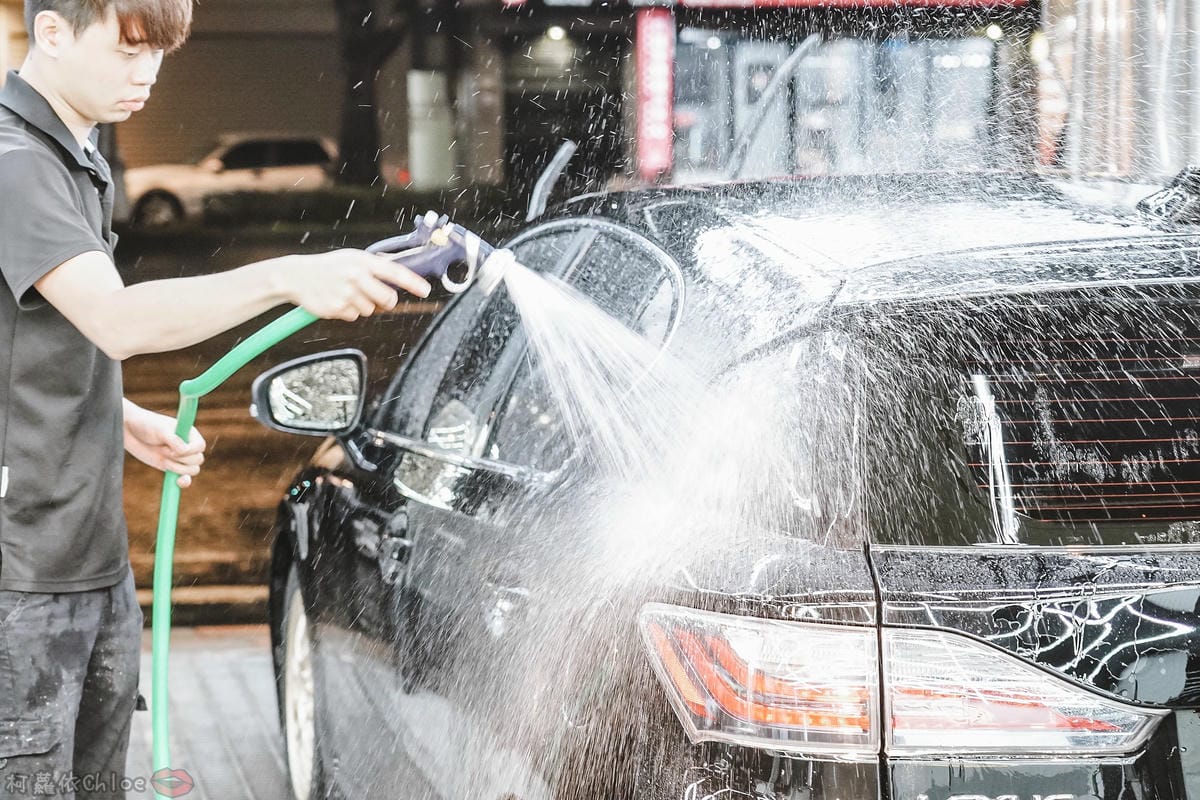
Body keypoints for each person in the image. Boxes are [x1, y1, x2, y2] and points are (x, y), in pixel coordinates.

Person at [0, 1, 431, 797]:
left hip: (85, 562)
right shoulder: (16, 163)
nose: (148, 76)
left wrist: (116, 416)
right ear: (53, 32)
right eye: (129, 51)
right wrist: (283, 275)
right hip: (23, 580)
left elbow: (27, 336)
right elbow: (116, 320)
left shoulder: (70, 155)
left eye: (160, 54)